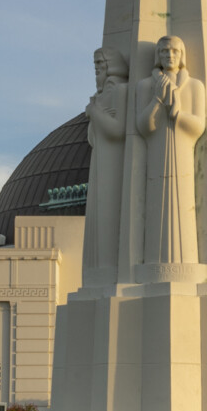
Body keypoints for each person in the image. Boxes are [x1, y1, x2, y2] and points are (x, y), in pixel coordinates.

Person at [136, 35, 205, 265]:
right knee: (156, 208)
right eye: (164, 51)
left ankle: (185, 261)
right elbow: (143, 126)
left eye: (175, 51)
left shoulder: (194, 86)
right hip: (156, 153)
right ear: (158, 55)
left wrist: (178, 115)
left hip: (184, 152)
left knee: (185, 206)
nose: (170, 55)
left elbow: (199, 125)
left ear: (182, 55)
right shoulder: (146, 86)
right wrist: (157, 100)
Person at [83, 46, 129, 275]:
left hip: (113, 162)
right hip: (101, 159)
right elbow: (93, 137)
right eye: (95, 67)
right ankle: (101, 268)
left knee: (108, 209)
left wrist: (94, 112)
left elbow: (118, 130)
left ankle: (107, 267)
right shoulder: (102, 98)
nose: (97, 72)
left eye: (100, 66)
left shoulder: (120, 91)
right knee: (99, 212)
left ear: (111, 67)